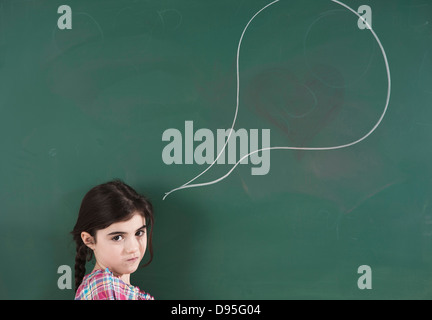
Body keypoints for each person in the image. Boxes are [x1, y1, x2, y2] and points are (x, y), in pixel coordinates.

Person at [71, 179, 154, 300]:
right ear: (89, 240)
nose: (133, 248)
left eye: (139, 233)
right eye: (117, 237)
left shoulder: (116, 289)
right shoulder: (103, 288)